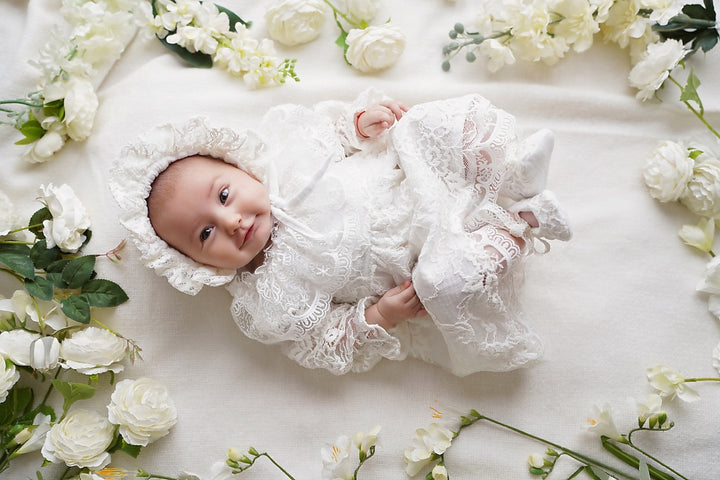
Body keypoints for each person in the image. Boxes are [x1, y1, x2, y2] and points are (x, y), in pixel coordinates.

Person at [110, 89, 571, 376]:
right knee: (445, 284)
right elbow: (324, 341)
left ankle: (511, 174)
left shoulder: (286, 159)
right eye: (206, 234)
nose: (231, 222)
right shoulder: (269, 298)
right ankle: (520, 225)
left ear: (240, 167)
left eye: (224, 195)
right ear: (195, 265)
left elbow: (331, 134)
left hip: (415, 182)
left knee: (425, 126)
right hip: (423, 257)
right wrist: (379, 317)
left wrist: (359, 124)